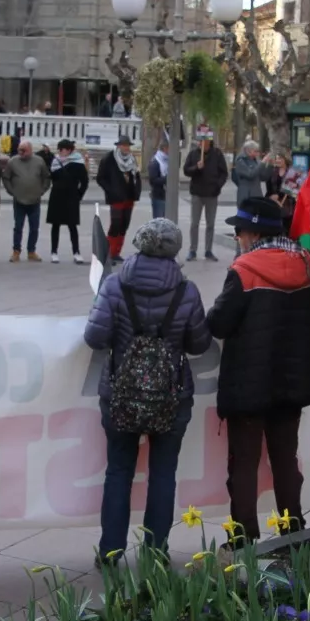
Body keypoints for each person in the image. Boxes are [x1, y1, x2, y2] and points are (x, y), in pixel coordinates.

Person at [83, 218, 210, 560]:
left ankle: (110, 550)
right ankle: (156, 553)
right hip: (172, 396)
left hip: (120, 394)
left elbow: (95, 338)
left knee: (118, 470)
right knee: (163, 473)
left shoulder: (114, 285)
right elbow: (199, 344)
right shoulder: (186, 291)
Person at [206, 196, 310, 544]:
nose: (237, 238)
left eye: (240, 231)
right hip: (294, 386)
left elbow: (218, 323)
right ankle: (293, 533)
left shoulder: (244, 270)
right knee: (285, 461)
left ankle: (243, 539)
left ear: (255, 233)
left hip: (248, 387)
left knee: (244, 464)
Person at [183, 127, 228, 261]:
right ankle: (192, 250)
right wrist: (196, 167)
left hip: (212, 194)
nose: (202, 143)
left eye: (205, 141)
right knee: (194, 224)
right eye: (200, 141)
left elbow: (224, 173)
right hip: (197, 193)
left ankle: (208, 250)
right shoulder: (193, 154)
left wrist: (217, 186)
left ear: (209, 141)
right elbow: (186, 171)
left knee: (210, 224)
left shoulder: (217, 154)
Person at [2, 140, 50, 262]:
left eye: (24, 150)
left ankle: (31, 251)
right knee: (18, 227)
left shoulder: (39, 161)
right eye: (19, 150)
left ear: (30, 150)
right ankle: (16, 251)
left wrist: (42, 190)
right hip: (19, 200)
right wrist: (11, 191)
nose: (21, 152)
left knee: (34, 228)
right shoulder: (12, 161)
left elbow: (46, 177)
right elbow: (6, 178)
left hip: (35, 200)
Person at [97, 136, 143, 262]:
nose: (126, 148)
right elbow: (100, 178)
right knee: (115, 225)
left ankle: (116, 252)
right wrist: (111, 190)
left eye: (128, 145)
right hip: (116, 197)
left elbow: (136, 175)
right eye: (124, 145)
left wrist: (137, 190)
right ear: (118, 146)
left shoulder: (132, 159)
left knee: (124, 225)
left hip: (129, 196)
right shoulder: (109, 158)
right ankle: (108, 253)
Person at [48, 139, 88, 264]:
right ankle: (54, 252)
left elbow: (84, 181)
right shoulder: (55, 162)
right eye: (59, 149)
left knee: (72, 225)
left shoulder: (78, 163)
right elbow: (52, 178)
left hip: (71, 197)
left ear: (69, 150)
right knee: (55, 225)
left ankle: (76, 252)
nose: (60, 152)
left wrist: (78, 195)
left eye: (62, 149)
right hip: (56, 196)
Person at [147, 140, 169, 222]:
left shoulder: (167, 160)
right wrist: (167, 179)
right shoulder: (155, 161)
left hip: (167, 195)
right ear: (165, 148)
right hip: (158, 196)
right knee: (159, 221)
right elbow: (153, 180)